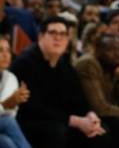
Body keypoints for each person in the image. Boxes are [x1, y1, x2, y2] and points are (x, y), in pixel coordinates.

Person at [10, 16, 109, 148]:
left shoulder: (64, 63)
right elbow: (33, 108)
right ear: (41, 36)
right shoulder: (25, 63)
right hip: (30, 122)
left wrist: (90, 115)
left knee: (102, 129)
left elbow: (79, 97)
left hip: (61, 120)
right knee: (56, 131)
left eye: (63, 34)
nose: (58, 38)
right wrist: (76, 121)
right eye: (53, 33)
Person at [0, 36, 31, 148]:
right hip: (6, 123)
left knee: (7, 142)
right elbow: (6, 113)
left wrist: (13, 102)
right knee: (8, 122)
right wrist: (5, 105)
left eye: (8, 50)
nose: (5, 55)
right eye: (0, 50)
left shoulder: (11, 78)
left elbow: (12, 113)